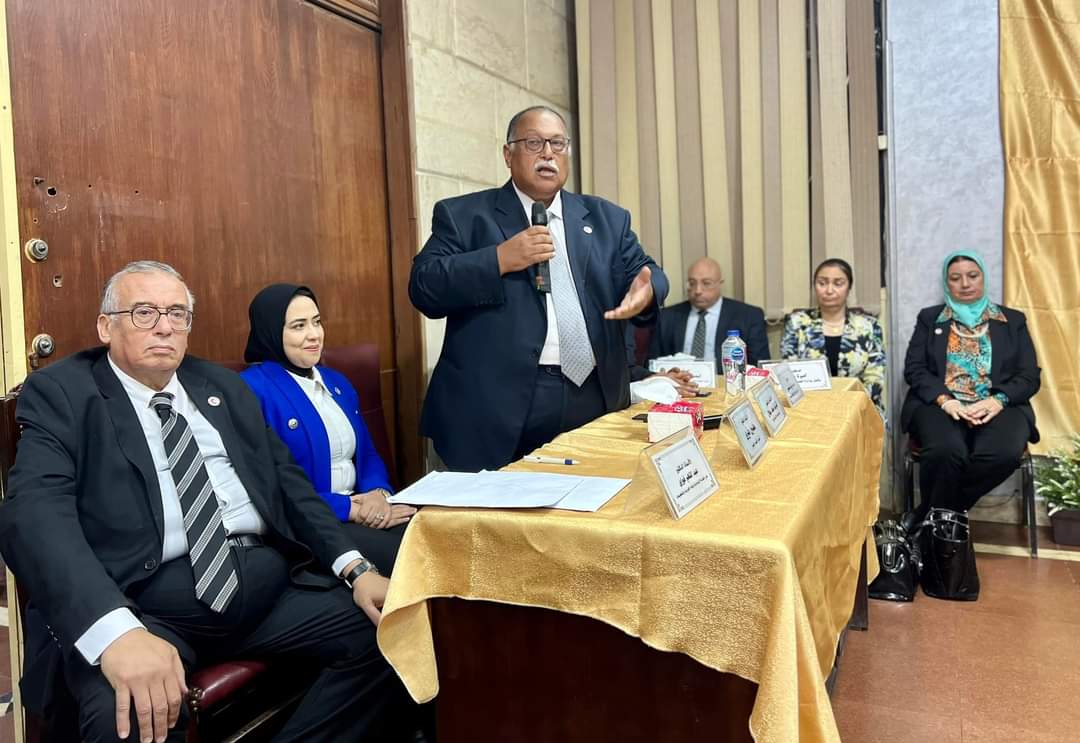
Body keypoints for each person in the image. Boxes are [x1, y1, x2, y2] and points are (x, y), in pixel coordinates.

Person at [0, 261, 404, 743]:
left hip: (265, 588)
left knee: (393, 634)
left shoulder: (223, 386)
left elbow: (289, 484)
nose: (165, 326)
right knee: (130, 714)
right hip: (148, 607)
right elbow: (34, 516)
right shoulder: (64, 393)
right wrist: (116, 632)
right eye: (144, 313)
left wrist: (356, 569)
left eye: (177, 313)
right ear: (106, 327)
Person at [409, 105, 669, 472]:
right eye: (534, 143)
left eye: (557, 144)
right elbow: (424, 286)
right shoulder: (465, 216)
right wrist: (498, 259)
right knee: (498, 508)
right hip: (496, 407)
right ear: (508, 154)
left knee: (590, 502)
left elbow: (649, 274)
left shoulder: (607, 219)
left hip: (592, 396)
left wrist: (648, 289)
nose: (548, 153)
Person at [241, 284, 415, 574]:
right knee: (411, 558)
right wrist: (350, 509)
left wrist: (378, 494)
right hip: (314, 524)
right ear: (271, 332)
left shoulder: (337, 381)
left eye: (317, 321)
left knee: (436, 535)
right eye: (299, 326)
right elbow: (270, 485)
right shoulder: (251, 389)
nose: (314, 334)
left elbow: (367, 453)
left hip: (365, 508)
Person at [900, 250, 1041, 529]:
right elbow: (915, 369)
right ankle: (941, 523)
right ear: (947, 283)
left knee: (1002, 454)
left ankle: (929, 514)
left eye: (972, 276)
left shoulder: (1012, 321)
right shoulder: (931, 319)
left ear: (983, 278)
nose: (965, 284)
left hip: (998, 405)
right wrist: (946, 401)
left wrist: (998, 400)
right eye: (955, 278)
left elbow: (1028, 375)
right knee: (945, 451)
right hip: (942, 405)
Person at [780, 258, 886, 414]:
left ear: (849, 287)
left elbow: (875, 378)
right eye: (822, 283)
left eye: (838, 283)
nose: (829, 290)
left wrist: (844, 405)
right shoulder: (797, 323)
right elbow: (789, 373)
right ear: (814, 286)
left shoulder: (868, 326)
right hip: (810, 409)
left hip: (859, 409)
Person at [646, 257, 770, 366]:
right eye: (692, 283)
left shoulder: (749, 316)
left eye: (706, 283)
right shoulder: (667, 317)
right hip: (679, 383)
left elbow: (758, 366)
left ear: (720, 284)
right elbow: (653, 363)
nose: (698, 290)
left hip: (726, 382)